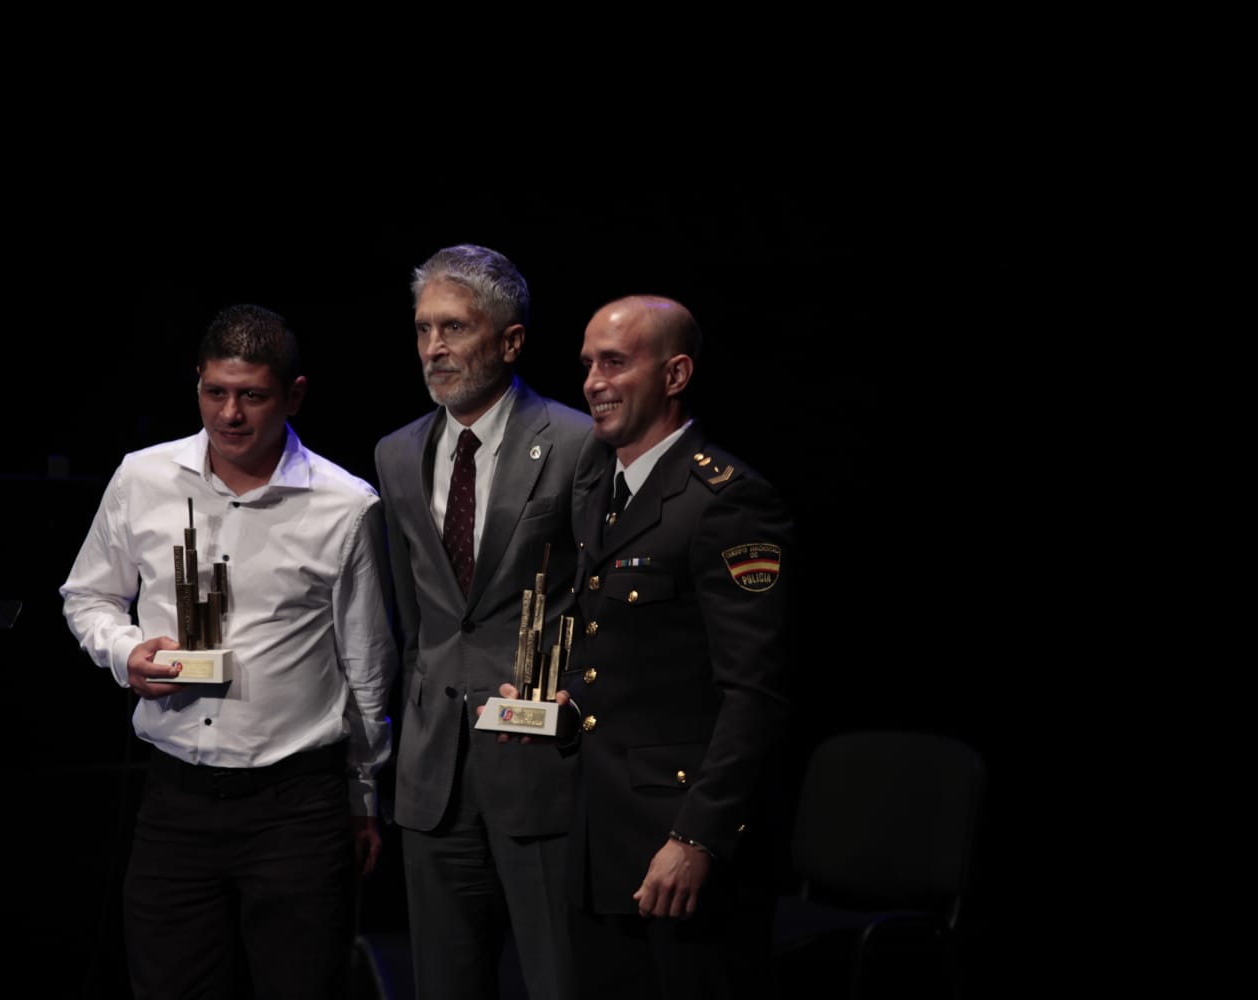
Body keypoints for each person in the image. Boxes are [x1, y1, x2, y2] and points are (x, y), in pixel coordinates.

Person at [60, 303, 397, 999]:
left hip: (296, 805)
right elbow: (86, 597)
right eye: (216, 392)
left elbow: (366, 663)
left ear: (294, 394)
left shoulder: (346, 504)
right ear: (198, 387)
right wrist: (126, 654)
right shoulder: (142, 478)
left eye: (252, 396)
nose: (231, 414)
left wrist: (364, 798)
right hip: (175, 796)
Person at [562, 294, 796, 998]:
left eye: (615, 362)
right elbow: (623, 662)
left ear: (675, 374)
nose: (594, 383)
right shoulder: (602, 489)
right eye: (587, 365)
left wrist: (699, 838)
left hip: (681, 851)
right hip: (601, 841)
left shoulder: (723, 500)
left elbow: (756, 692)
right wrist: (555, 707)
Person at [374, 245, 590, 999]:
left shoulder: (576, 441)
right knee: (443, 981)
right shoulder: (397, 453)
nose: (435, 347)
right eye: (424, 328)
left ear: (510, 340)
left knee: (557, 977)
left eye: (455, 327)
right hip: (434, 769)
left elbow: (599, 595)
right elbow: (414, 617)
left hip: (539, 764)